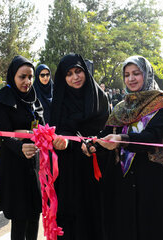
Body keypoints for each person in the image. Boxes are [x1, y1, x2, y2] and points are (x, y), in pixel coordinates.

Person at [85, 55, 163, 240]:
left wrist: (121, 139)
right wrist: (93, 144)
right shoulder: (122, 107)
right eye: (127, 74)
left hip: (153, 176)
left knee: (151, 227)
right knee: (126, 225)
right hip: (125, 176)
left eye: (136, 73)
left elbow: (153, 136)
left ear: (146, 74)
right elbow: (107, 133)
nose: (131, 79)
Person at [49, 53, 110, 240]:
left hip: (95, 168)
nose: (75, 77)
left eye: (78, 71)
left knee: (95, 218)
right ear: (62, 78)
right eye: (69, 74)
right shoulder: (58, 103)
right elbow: (55, 132)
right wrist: (61, 142)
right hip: (68, 172)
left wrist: (93, 143)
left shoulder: (100, 98)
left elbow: (107, 131)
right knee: (71, 222)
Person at [0, 56, 44, 240]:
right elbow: (3, 135)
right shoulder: (2, 99)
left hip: (33, 164)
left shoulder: (34, 99)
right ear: (12, 76)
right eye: (22, 77)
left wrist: (26, 132)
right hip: (13, 164)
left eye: (30, 77)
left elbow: (42, 128)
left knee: (35, 213)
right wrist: (20, 143)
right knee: (20, 216)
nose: (27, 82)